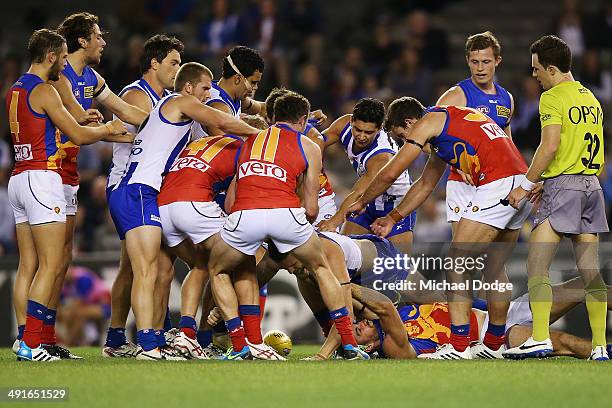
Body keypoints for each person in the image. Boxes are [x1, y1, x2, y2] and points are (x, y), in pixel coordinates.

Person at [347, 97, 531, 359]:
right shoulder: (447, 123)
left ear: (410, 122)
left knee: (456, 262)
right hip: (519, 181)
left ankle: (458, 346)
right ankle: (493, 344)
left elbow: (391, 173)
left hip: (496, 183)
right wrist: (393, 217)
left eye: (401, 136)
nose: (403, 143)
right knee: (494, 266)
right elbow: (425, 184)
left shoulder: (427, 122)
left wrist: (361, 202)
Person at [17, 12, 148, 360]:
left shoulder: (90, 77)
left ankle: (42, 338)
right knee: (43, 262)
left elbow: (121, 110)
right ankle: (28, 339)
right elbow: (78, 121)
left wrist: (164, 120)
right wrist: (103, 127)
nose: (103, 41)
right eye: (97, 36)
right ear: (81, 42)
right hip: (48, 171)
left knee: (59, 261)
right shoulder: (55, 79)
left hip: (66, 172)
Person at [107, 62, 259, 361]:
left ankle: (172, 336)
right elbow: (224, 122)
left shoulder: (172, 112)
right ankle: (148, 345)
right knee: (147, 271)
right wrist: (263, 135)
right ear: (189, 87)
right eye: (205, 88)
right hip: (139, 191)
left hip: (147, 194)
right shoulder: (181, 101)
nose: (208, 94)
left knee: (191, 264)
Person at [207, 91, 368, 360]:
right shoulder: (309, 145)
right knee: (320, 267)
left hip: (246, 214)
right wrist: (294, 232)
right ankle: (349, 344)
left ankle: (239, 346)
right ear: (303, 119)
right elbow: (312, 208)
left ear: (272, 117)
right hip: (287, 214)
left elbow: (231, 201)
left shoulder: (248, 140)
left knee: (220, 270)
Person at [505, 35, 609, 361]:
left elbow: (549, 146)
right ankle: (600, 346)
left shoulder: (552, 98)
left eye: (537, 69)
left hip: (563, 188)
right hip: (591, 186)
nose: (534, 75)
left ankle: (538, 338)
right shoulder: (591, 98)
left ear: (552, 69)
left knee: (537, 264)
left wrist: (526, 184)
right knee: (590, 272)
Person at [103, 34, 185, 358]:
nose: (178, 70)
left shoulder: (163, 96)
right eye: (174, 63)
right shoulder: (138, 94)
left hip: (142, 188)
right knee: (148, 267)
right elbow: (144, 128)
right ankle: (151, 340)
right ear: (154, 63)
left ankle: (115, 339)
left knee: (131, 268)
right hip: (131, 184)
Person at [346, 280, 612, 360]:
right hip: (494, 339)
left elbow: (363, 306)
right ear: (368, 347)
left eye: (356, 322)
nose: (359, 323)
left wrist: (333, 287)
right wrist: (344, 285)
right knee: (569, 343)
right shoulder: (394, 346)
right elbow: (382, 306)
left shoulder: (389, 317)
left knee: (583, 286)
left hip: (501, 314)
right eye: (357, 332)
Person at [318, 98, 415, 254]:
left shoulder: (381, 156)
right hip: (367, 205)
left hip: (395, 206)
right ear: (351, 121)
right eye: (358, 129)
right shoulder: (343, 125)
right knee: (344, 256)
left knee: (399, 270)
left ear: (379, 129)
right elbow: (315, 143)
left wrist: (333, 222)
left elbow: (358, 193)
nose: (361, 136)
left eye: (368, 132)